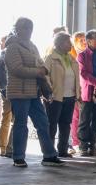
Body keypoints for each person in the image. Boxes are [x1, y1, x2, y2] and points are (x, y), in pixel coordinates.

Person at [4, 17, 64, 168]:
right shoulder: (12, 47)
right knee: (21, 125)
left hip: (34, 92)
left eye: (30, 28)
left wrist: (43, 72)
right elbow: (16, 68)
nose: (28, 31)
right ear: (17, 29)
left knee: (43, 123)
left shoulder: (33, 46)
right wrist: (38, 72)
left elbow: (41, 63)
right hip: (19, 93)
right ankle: (18, 157)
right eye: (25, 28)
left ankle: (49, 155)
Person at [44, 32, 80, 158]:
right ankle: (49, 151)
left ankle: (63, 150)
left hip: (70, 96)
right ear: (59, 43)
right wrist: (51, 90)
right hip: (55, 97)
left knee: (65, 125)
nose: (70, 45)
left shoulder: (71, 59)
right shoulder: (50, 58)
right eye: (67, 42)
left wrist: (77, 93)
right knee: (52, 125)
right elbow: (44, 75)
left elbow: (76, 78)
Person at [76, 30, 96, 157]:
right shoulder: (82, 56)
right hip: (88, 92)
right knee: (84, 120)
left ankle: (93, 146)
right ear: (88, 41)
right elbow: (83, 74)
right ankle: (83, 146)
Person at [0, 35, 13, 157]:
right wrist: (6, 93)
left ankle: (6, 147)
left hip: (12, 92)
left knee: (8, 119)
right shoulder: (2, 59)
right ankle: (3, 147)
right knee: (7, 119)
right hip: (8, 93)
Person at [69, 30, 87, 153]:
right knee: (75, 116)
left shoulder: (87, 54)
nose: (84, 42)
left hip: (85, 89)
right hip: (74, 89)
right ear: (75, 42)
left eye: (85, 40)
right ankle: (75, 142)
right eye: (81, 40)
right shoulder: (72, 55)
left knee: (84, 116)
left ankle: (83, 140)